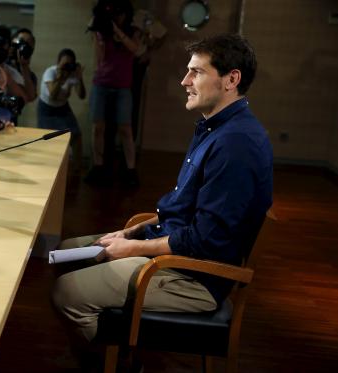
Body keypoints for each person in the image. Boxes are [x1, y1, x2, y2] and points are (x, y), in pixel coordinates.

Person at [52, 34, 272, 369]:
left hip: (195, 277)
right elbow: (181, 209)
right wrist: (131, 234)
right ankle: (118, 353)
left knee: (67, 292)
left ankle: (116, 364)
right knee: (69, 252)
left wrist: (132, 249)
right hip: (177, 255)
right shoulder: (216, 129)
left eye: (196, 72)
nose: (185, 81)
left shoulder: (236, 144)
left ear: (232, 79)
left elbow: (203, 241)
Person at [85, 0, 142, 187]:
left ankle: (131, 169)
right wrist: (98, 31)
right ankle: (98, 166)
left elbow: (135, 49)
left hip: (123, 87)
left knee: (125, 129)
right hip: (101, 83)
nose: (118, 17)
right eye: (115, 13)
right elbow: (99, 58)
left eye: (121, 13)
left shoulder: (133, 32)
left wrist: (118, 32)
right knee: (98, 127)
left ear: (127, 14)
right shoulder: (103, 31)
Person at [38, 48, 86, 171]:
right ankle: (49, 168)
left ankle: (77, 170)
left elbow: (81, 95)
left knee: (76, 135)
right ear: (58, 62)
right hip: (46, 108)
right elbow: (52, 95)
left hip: (63, 107)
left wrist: (80, 78)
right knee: (49, 139)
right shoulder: (51, 72)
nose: (66, 67)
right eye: (64, 63)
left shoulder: (72, 74)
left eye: (70, 64)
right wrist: (59, 77)